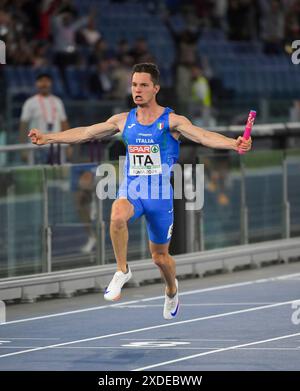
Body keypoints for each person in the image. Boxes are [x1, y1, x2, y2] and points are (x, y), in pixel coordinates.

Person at [28, 63, 252, 320]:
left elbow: (202, 136)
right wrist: (49, 138)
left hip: (159, 196)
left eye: (144, 85)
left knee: (160, 258)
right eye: (134, 85)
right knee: (116, 215)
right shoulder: (123, 121)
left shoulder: (172, 121)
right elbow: (86, 133)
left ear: (155, 88)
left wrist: (233, 144)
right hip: (132, 189)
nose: (137, 90)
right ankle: (122, 270)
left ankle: (171, 289)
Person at [19, 73, 69, 163]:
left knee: (57, 174)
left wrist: (69, 145)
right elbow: (23, 125)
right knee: (37, 173)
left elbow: (64, 123)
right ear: (36, 84)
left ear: (51, 83)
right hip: (36, 145)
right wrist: (23, 149)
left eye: (47, 81)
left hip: (55, 144)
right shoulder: (30, 102)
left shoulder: (58, 101)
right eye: (41, 81)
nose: (44, 84)